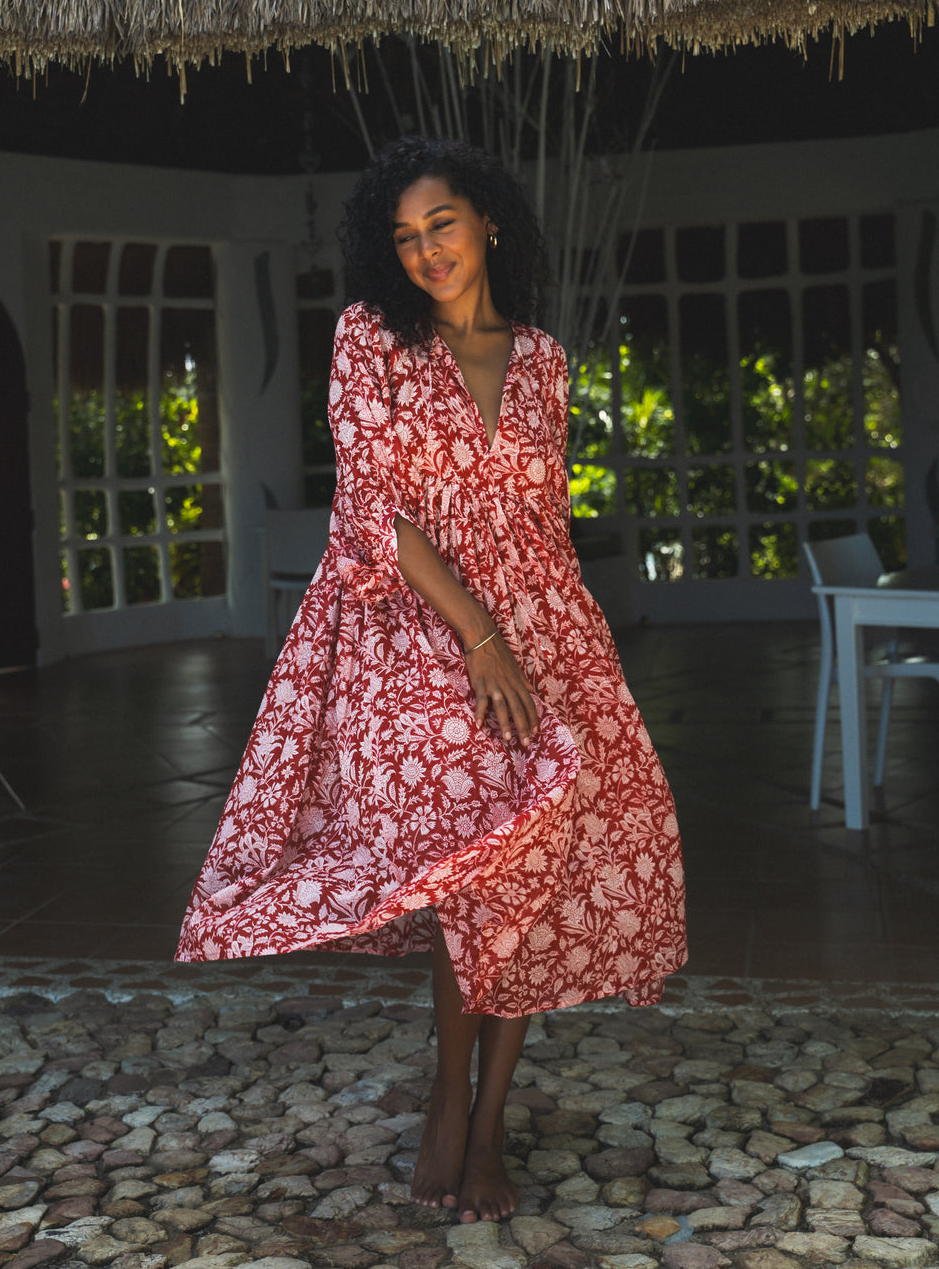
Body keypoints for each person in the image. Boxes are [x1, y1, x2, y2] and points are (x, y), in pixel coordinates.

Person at [177, 136, 687, 1223]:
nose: (426, 252)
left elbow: (544, 520)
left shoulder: (543, 359)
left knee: (530, 869)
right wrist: (481, 639)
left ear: (487, 220)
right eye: (404, 237)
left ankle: (485, 1121)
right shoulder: (371, 338)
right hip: (411, 622)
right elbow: (376, 510)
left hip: (542, 622)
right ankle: (450, 1102)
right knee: (468, 855)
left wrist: (559, 649)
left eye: (441, 225)